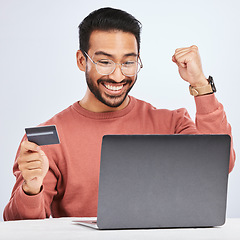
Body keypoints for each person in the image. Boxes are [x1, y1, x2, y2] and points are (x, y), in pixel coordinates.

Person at [4, 7, 235, 221]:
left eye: (128, 62)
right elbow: (19, 227)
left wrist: (200, 84)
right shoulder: (49, 139)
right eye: (104, 62)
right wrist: (31, 189)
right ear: (81, 60)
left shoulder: (172, 123)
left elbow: (220, 164)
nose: (117, 76)